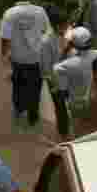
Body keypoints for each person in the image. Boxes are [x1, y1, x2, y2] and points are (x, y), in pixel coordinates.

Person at [0, 0, 50, 126]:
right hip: (36, 58)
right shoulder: (40, 11)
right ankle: (33, 114)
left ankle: (19, 109)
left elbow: (5, 37)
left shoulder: (9, 13)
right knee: (35, 86)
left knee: (18, 84)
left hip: (18, 58)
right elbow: (47, 32)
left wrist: (3, 55)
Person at [53, 27, 97, 134]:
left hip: (76, 104)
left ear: (73, 44)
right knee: (94, 129)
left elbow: (55, 69)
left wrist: (66, 49)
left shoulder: (68, 64)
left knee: (79, 131)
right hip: (95, 100)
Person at [40, 11, 72, 140]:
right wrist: (53, 85)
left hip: (69, 78)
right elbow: (46, 67)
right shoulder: (46, 42)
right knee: (60, 108)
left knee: (73, 104)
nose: (67, 28)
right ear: (57, 26)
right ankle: (64, 133)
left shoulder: (67, 35)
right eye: (65, 25)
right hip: (56, 80)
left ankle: (75, 126)